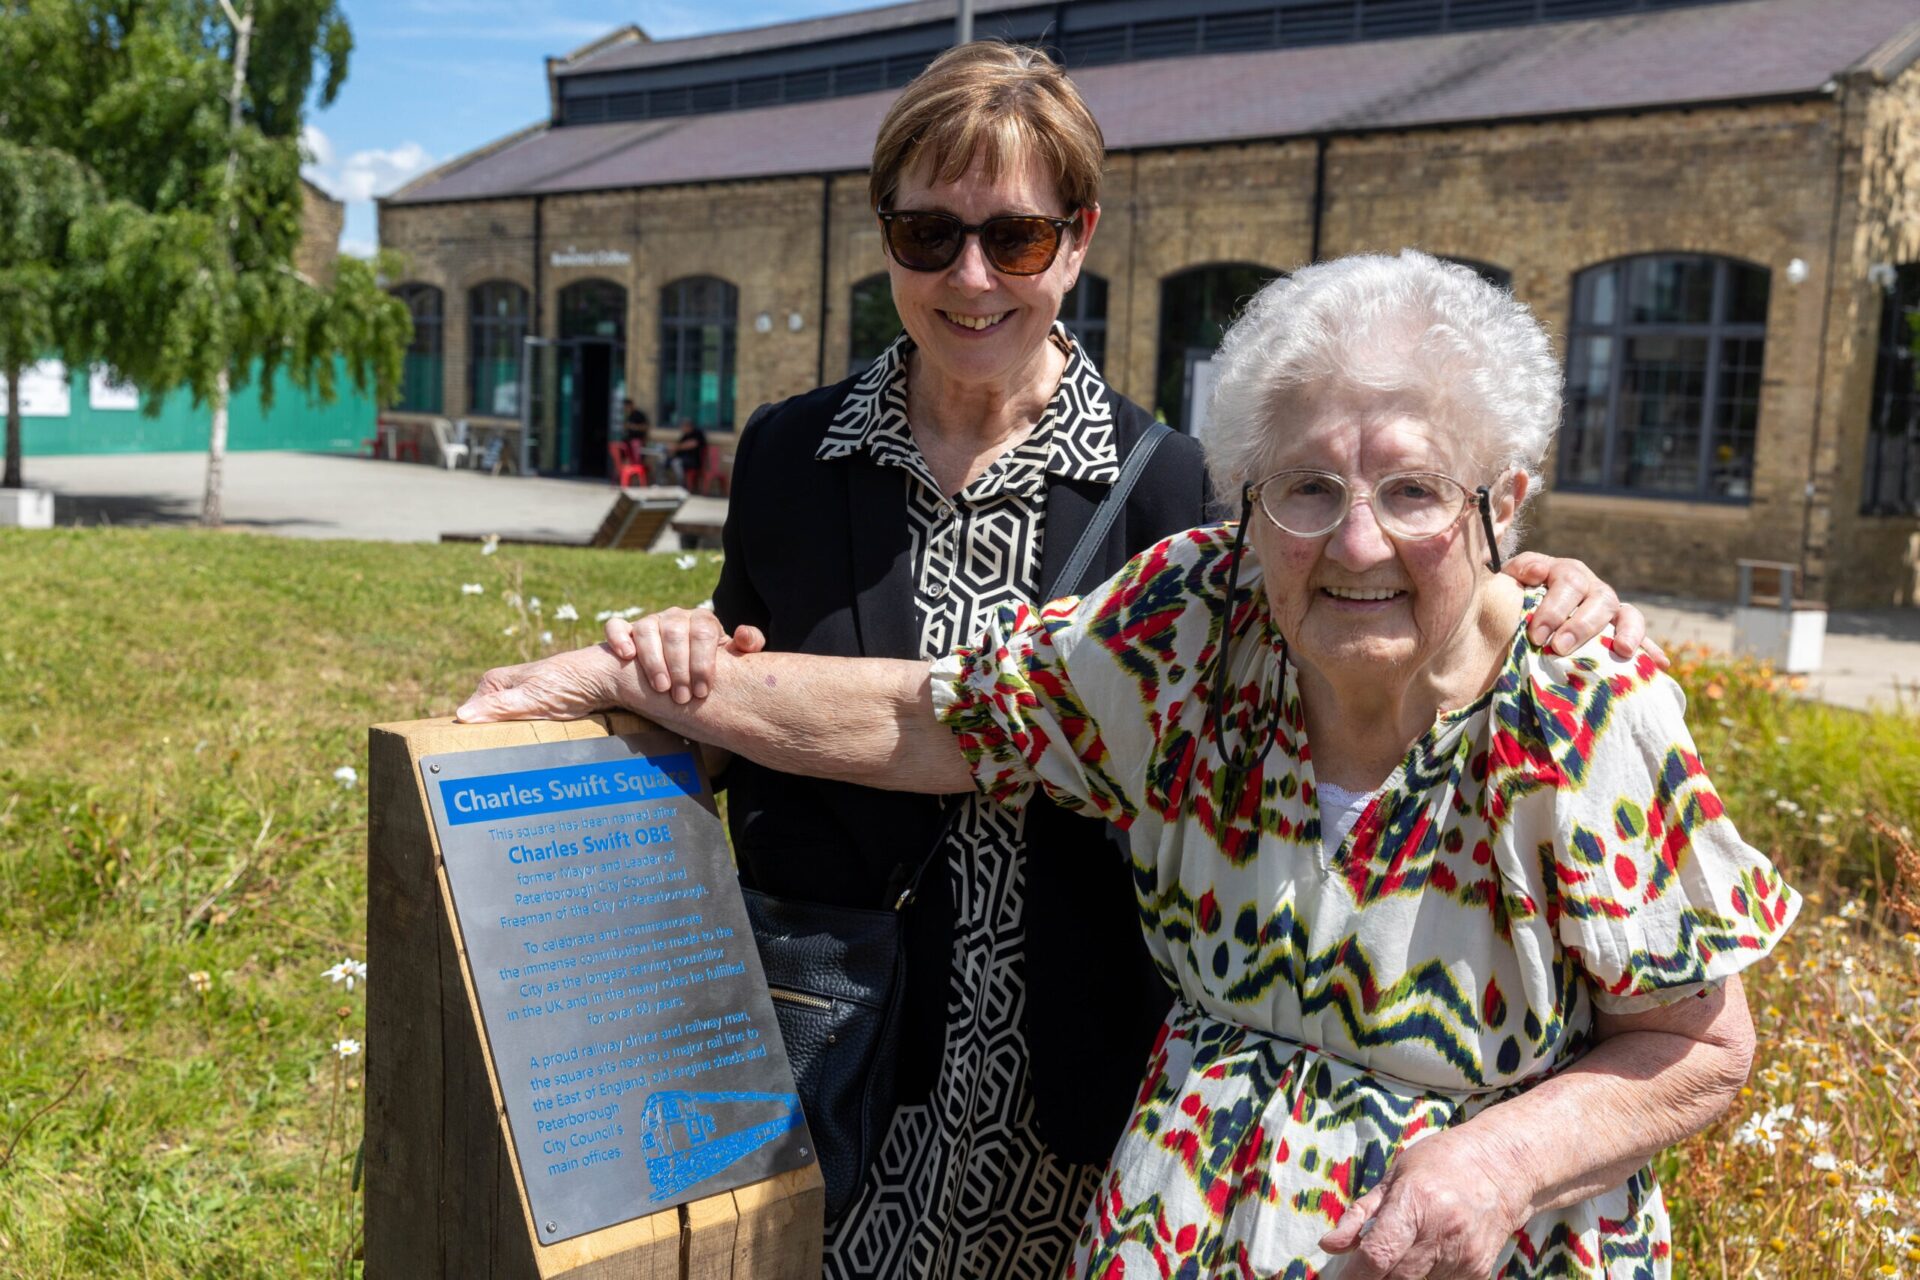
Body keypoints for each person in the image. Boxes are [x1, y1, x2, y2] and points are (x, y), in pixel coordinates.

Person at [465, 60, 1663, 1280]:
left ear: (1078, 239)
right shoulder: (790, 449)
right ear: (885, 237)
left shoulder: (1174, 487)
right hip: (838, 1027)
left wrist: (1516, 575)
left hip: (1071, 1055)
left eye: (1016, 236)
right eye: (929, 234)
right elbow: (840, 697)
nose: (970, 277)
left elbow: (1359, 574)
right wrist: (650, 666)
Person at [669, 416, 708, 493]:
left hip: (694, 461)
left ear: (689, 426)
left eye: (684, 426)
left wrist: (678, 447)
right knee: (665, 460)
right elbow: (678, 445)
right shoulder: (685, 435)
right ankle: (662, 482)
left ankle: (682, 485)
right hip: (684, 459)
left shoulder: (698, 433)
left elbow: (692, 444)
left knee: (676, 463)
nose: (683, 428)